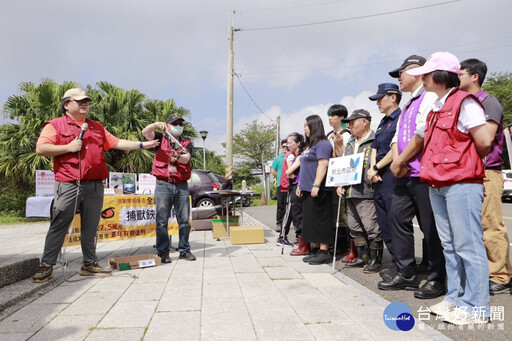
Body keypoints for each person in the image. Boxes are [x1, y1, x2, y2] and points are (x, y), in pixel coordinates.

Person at [32, 88, 160, 283]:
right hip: (69, 184)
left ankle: (89, 264)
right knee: (60, 224)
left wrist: (142, 145)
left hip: (95, 185)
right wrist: (67, 147)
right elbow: (41, 148)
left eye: (87, 101)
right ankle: (47, 265)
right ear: (67, 104)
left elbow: (117, 142)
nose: (84, 104)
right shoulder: (55, 125)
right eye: (79, 101)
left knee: (91, 227)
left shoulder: (96, 127)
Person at [407, 52, 492, 325]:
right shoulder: (435, 107)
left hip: (461, 183)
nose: (423, 77)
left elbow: (483, 142)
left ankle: (477, 307)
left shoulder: (465, 104)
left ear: (440, 76)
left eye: (427, 73)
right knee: (450, 245)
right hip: (437, 184)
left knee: (468, 244)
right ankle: (455, 297)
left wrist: (461, 164)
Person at [379, 55, 446, 299]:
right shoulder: (407, 103)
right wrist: (397, 162)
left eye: (402, 71)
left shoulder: (429, 97)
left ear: (419, 71)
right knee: (397, 218)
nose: (399, 76)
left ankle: (437, 277)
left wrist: (399, 161)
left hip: (422, 174)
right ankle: (406, 273)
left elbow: (421, 133)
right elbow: (398, 137)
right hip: (403, 173)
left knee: (430, 228)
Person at [459, 58, 512, 295]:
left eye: (460, 74)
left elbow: (486, 140)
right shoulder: (462, 102)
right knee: (471, 227)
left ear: (474, 77)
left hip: (488, 171)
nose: (455, 78)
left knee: (491, 224)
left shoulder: (488, 102)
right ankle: (481, 272)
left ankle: (501, 276)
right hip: (467, 173)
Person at [142, 113, 195, 263]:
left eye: (181, 124)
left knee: (184, 220)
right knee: (161, 220)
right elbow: (145, 133)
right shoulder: (160, 138)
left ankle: (184, 250)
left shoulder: (186, 143)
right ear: (168, 125)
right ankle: (163, 252)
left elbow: (186, 159)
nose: (178, 126)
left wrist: (177, 157)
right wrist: (155, 124)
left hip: (181, 185)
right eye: (175, 123)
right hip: (163, 184)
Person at [336, 110, 381, 273]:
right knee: (354, 226)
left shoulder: (375, 140)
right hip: (350, 191)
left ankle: (376, 259)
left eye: (352, 122)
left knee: (371, 226)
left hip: (366, 191)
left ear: (364, 122)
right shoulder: (350, 143)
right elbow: (344, 165)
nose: (349, 125)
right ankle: (363, 256)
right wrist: (340, 184)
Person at [366, 83, 401, 270]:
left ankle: (402, 265)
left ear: (393, 97)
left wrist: (377, 167)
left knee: (395, 221)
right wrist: (373, 169)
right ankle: (396, 263)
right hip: (377, 176)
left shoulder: (400, 118)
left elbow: (396, 148)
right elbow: (375, 147)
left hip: (391, 175)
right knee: (384, 223)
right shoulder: (382, 122)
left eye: (380, 98)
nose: (378, 102)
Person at [298, 115, 334, 265]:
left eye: (307, 125)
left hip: (319, 188)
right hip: (307, 188)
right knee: (312, 221)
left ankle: (325, 251)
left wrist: (316, 184)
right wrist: (301, 185)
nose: (305, 128)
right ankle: (317, 250)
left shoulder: (323, 144)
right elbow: (305, 167)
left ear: (314, 126)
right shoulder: (310, 145)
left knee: (321, 220)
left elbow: (323, 165)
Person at [326, 104, 351, 257]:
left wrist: (339, 144)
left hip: (345, 176)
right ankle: (337, 242)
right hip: (333, 176)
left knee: (343, 211)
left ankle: (345, 244)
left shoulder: (347, 134)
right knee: (335, 210)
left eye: (333, 115)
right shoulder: (330, 135)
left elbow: (345, 156)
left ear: (341, 117)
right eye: (328, 116)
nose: (330, 118)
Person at [279, 132, 305, 249]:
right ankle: (284, 237)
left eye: (290, 143)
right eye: (287, 143)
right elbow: (289, 172)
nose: (288, 145)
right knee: (293, 212)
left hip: (299, 186)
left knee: (296, 213)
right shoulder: (291, 155)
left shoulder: (299, 155)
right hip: (293, 186)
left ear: (298, 143)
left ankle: (298, 239)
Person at [271, 140, 288, 232]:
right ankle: (279, 223)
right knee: (281, 205)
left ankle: (292, 224)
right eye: (283, 146)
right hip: (280, 185)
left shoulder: (292, 156)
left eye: (287, 146)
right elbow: (273, 171)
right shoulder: (278, 159)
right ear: (281, 147)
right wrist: (280, 177)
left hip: (291, 185)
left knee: (292, 206)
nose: (285, 148)